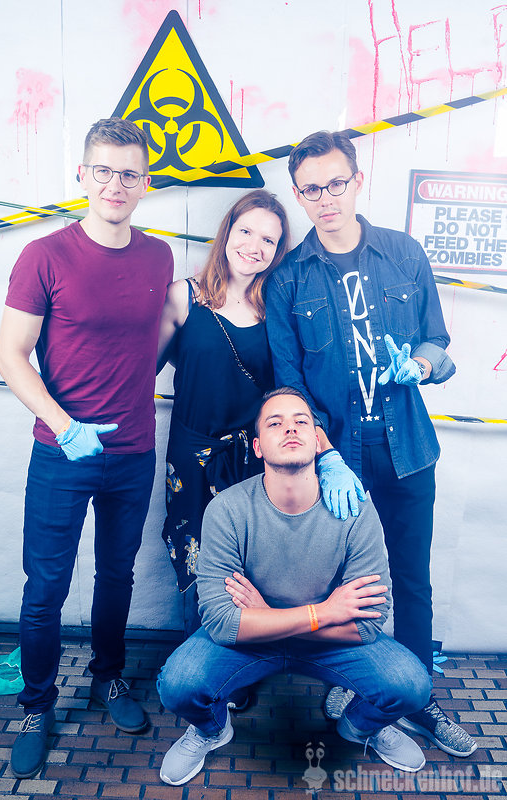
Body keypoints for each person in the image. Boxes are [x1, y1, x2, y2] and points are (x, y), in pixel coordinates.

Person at [264, 130, 476, 757]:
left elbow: (438, 342)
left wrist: (421, 365)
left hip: (408, 451)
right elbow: (290, 387)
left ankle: (417, 698)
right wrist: (325, 457)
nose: (326, 198)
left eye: (337, 183)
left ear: (358, 180)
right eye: (311, 190)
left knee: (411, 580)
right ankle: (361, 691)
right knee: (349, 583)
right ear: (298, 195)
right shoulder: (287, 280)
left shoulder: (404, 253)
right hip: (339, 461)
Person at [0, 117, 174, 779]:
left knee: (117, 575)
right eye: (103, 170)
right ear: (82, 174)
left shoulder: (159, 257)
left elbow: (150, 342)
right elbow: (11, 356)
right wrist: (64, 425)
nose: (115, 184)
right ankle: (37, 706)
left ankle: (107, 677)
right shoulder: (43, 256)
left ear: (145, 182)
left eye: (129, 173)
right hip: (60, 453)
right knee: (45, 588)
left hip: (132, 452)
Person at [156, 388, 431, 786]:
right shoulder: (227, 510)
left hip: (312, 640)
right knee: (178, 684)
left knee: (411, 685)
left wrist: (265, 616)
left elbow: (369, 624)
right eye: (275, 423)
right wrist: (323, 613)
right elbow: (220, 622)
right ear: (258, 447)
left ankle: (360, 726)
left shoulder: (354, 508)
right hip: (271, 640)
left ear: (318, 440)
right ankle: (211, 730)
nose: (290, 428)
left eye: (302, 421)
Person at [156, 190, 363, 636]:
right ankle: (199, 656)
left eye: (268, 240)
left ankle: (251, 651)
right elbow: (142, 370)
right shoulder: (183, 297)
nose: (254, 246)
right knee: (195, 562)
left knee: (253, 564)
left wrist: (325, 451)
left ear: (278, 250)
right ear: (227, 231)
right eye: (246, 231)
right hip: (193, 456)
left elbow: (298, 388)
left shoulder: (278, 307)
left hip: (257, 459)